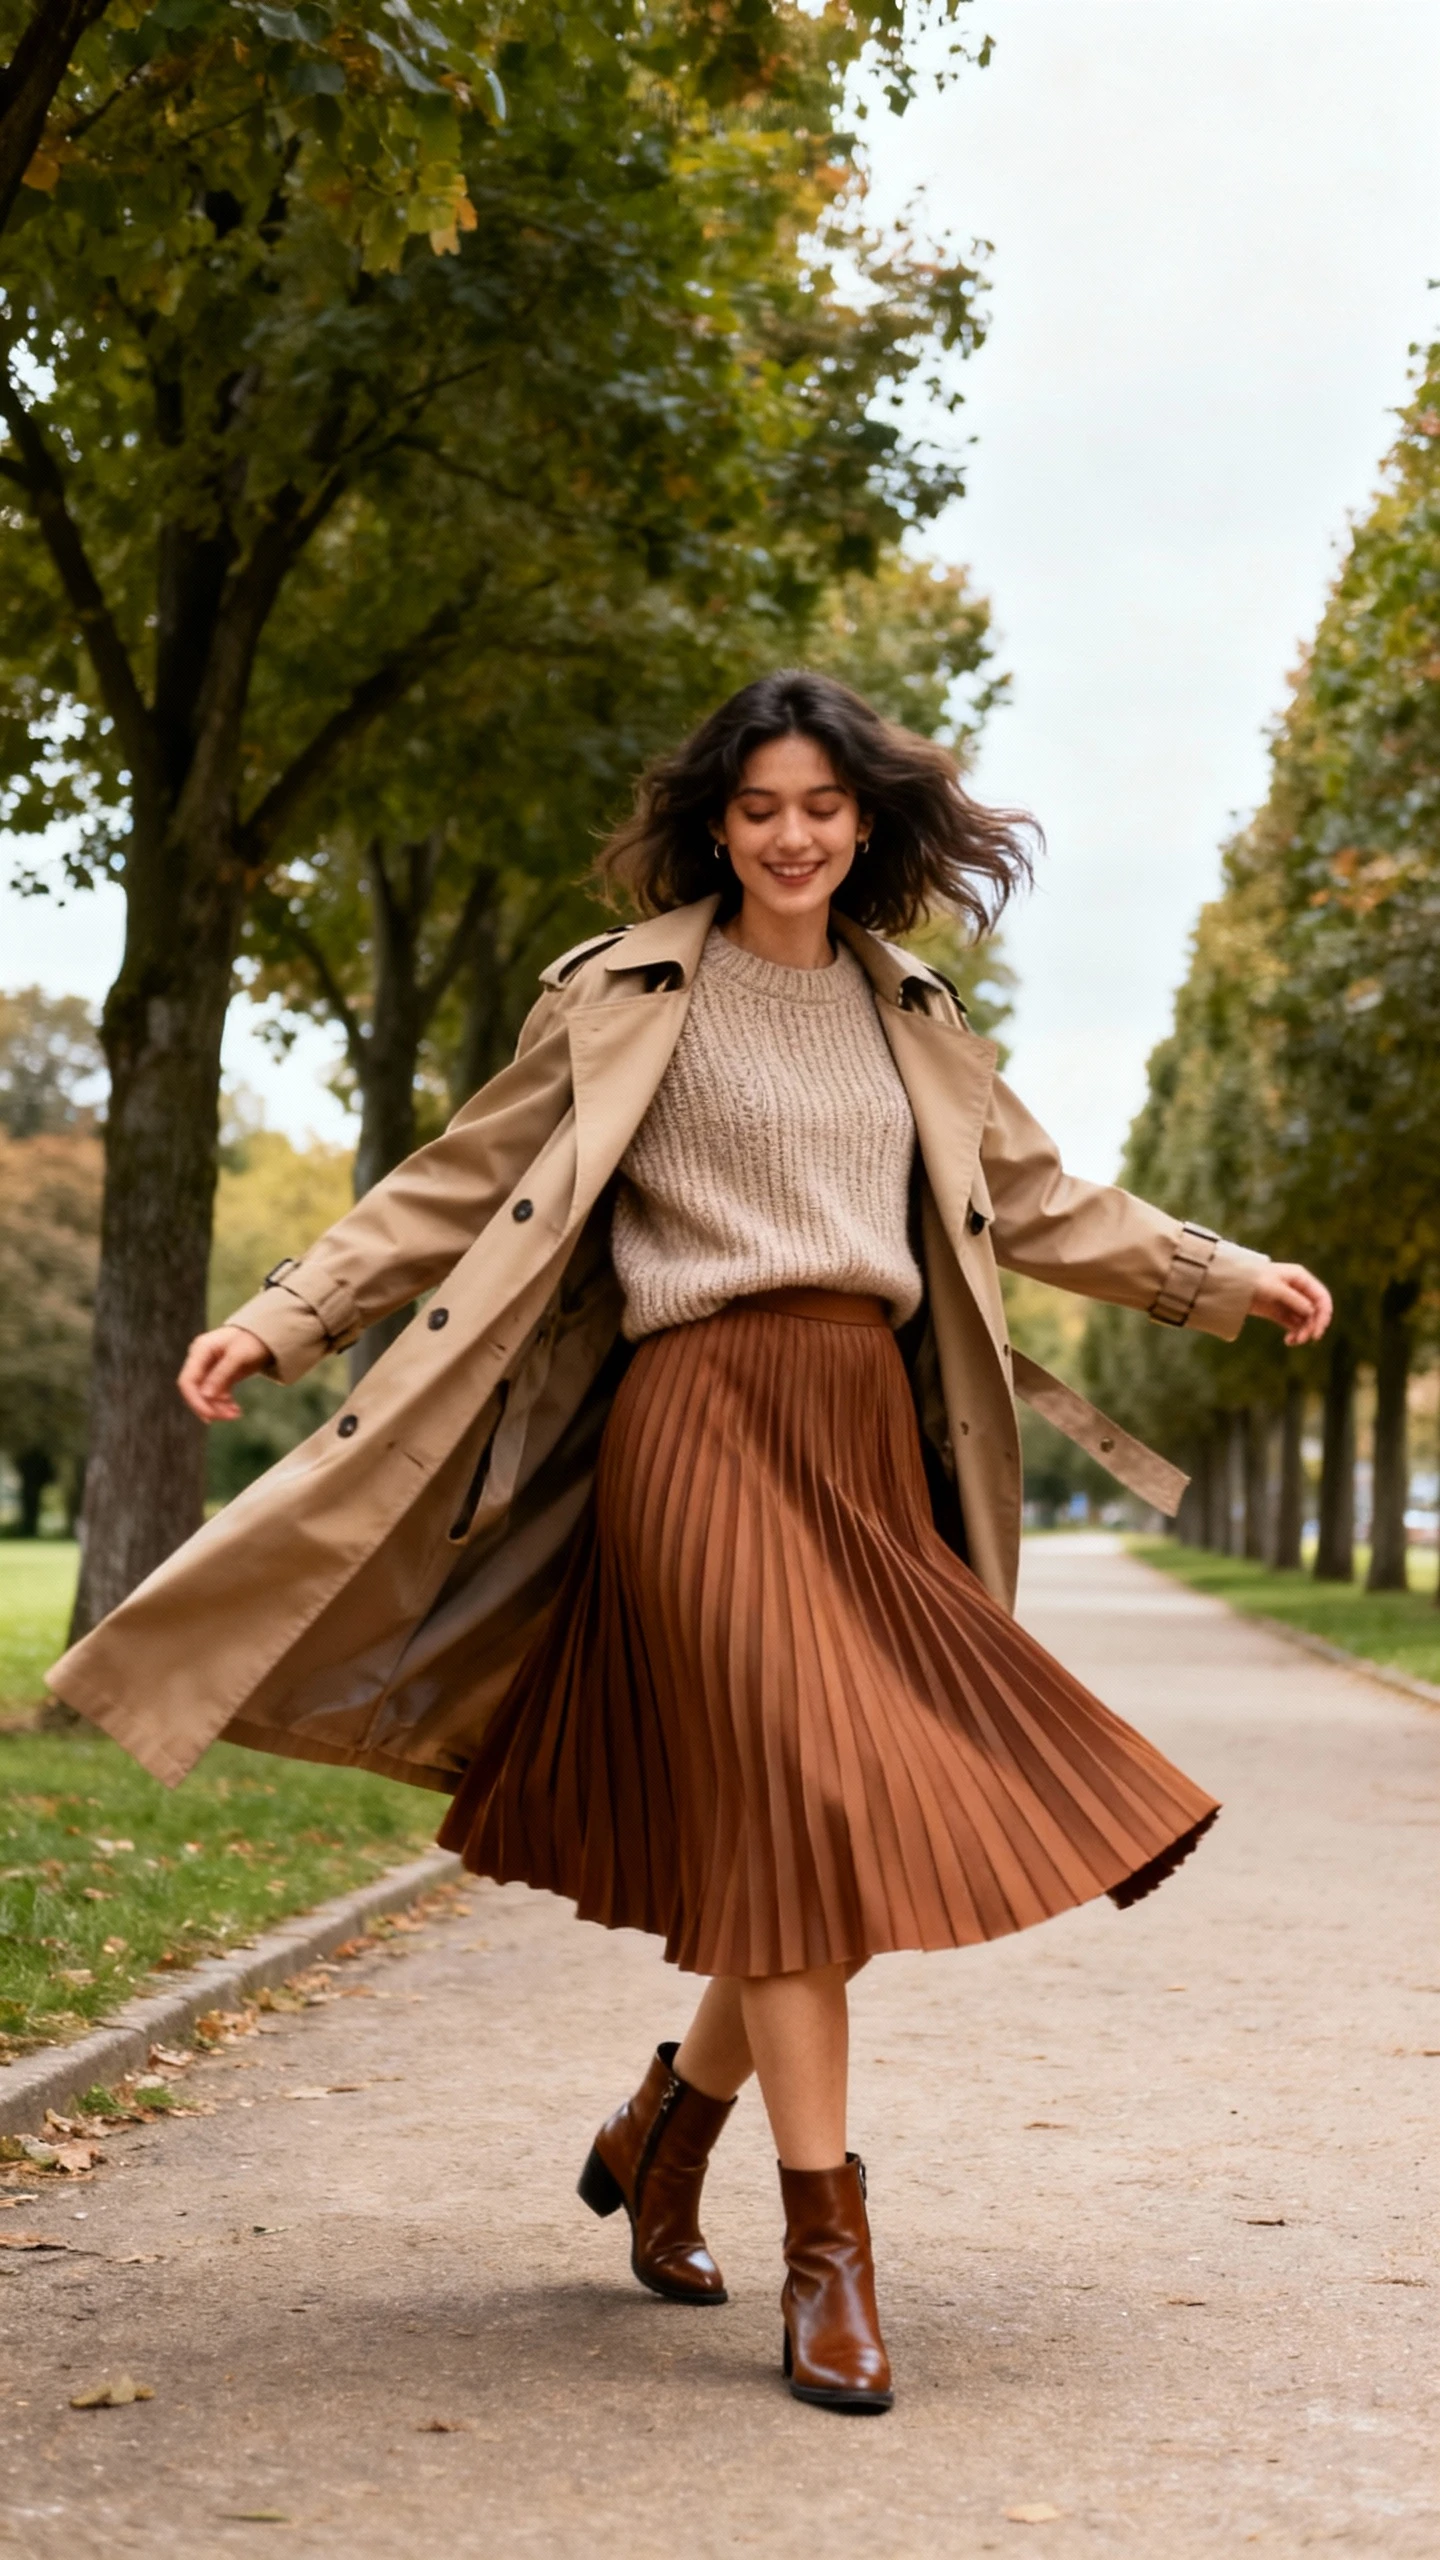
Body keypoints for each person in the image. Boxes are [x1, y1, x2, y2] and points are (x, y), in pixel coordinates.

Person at [52, 671, 1330, 2418]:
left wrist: (1221, 1275)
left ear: (866, 822)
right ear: (715, 825)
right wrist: (286, 1314)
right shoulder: (626, 992)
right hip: (696, 1425)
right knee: (806, 1804)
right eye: (759, 808)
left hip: (864, 1441)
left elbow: (1036, 1202)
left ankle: (669, 2123)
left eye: (822, 806)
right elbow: (455, 1181)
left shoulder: (911, 1012)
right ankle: (830, 2258)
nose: (792, 836)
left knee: (834, 1833)